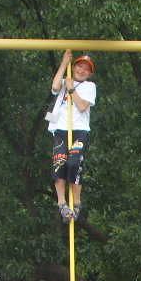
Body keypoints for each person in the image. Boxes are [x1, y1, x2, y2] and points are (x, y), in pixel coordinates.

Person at [48, 50, 97, 224]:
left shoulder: (89, 86)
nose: (82, 70)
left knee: (74, 164)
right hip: (61, 128)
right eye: (79, 66)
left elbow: (82, 106)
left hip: (79, 129)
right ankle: (62, 203)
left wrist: (71, 89)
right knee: (59, 164)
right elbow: (54, 87)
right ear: (74, 67)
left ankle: (76, 203)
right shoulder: (64, 81)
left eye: (86, 69)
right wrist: (64, 63)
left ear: (89, 73)